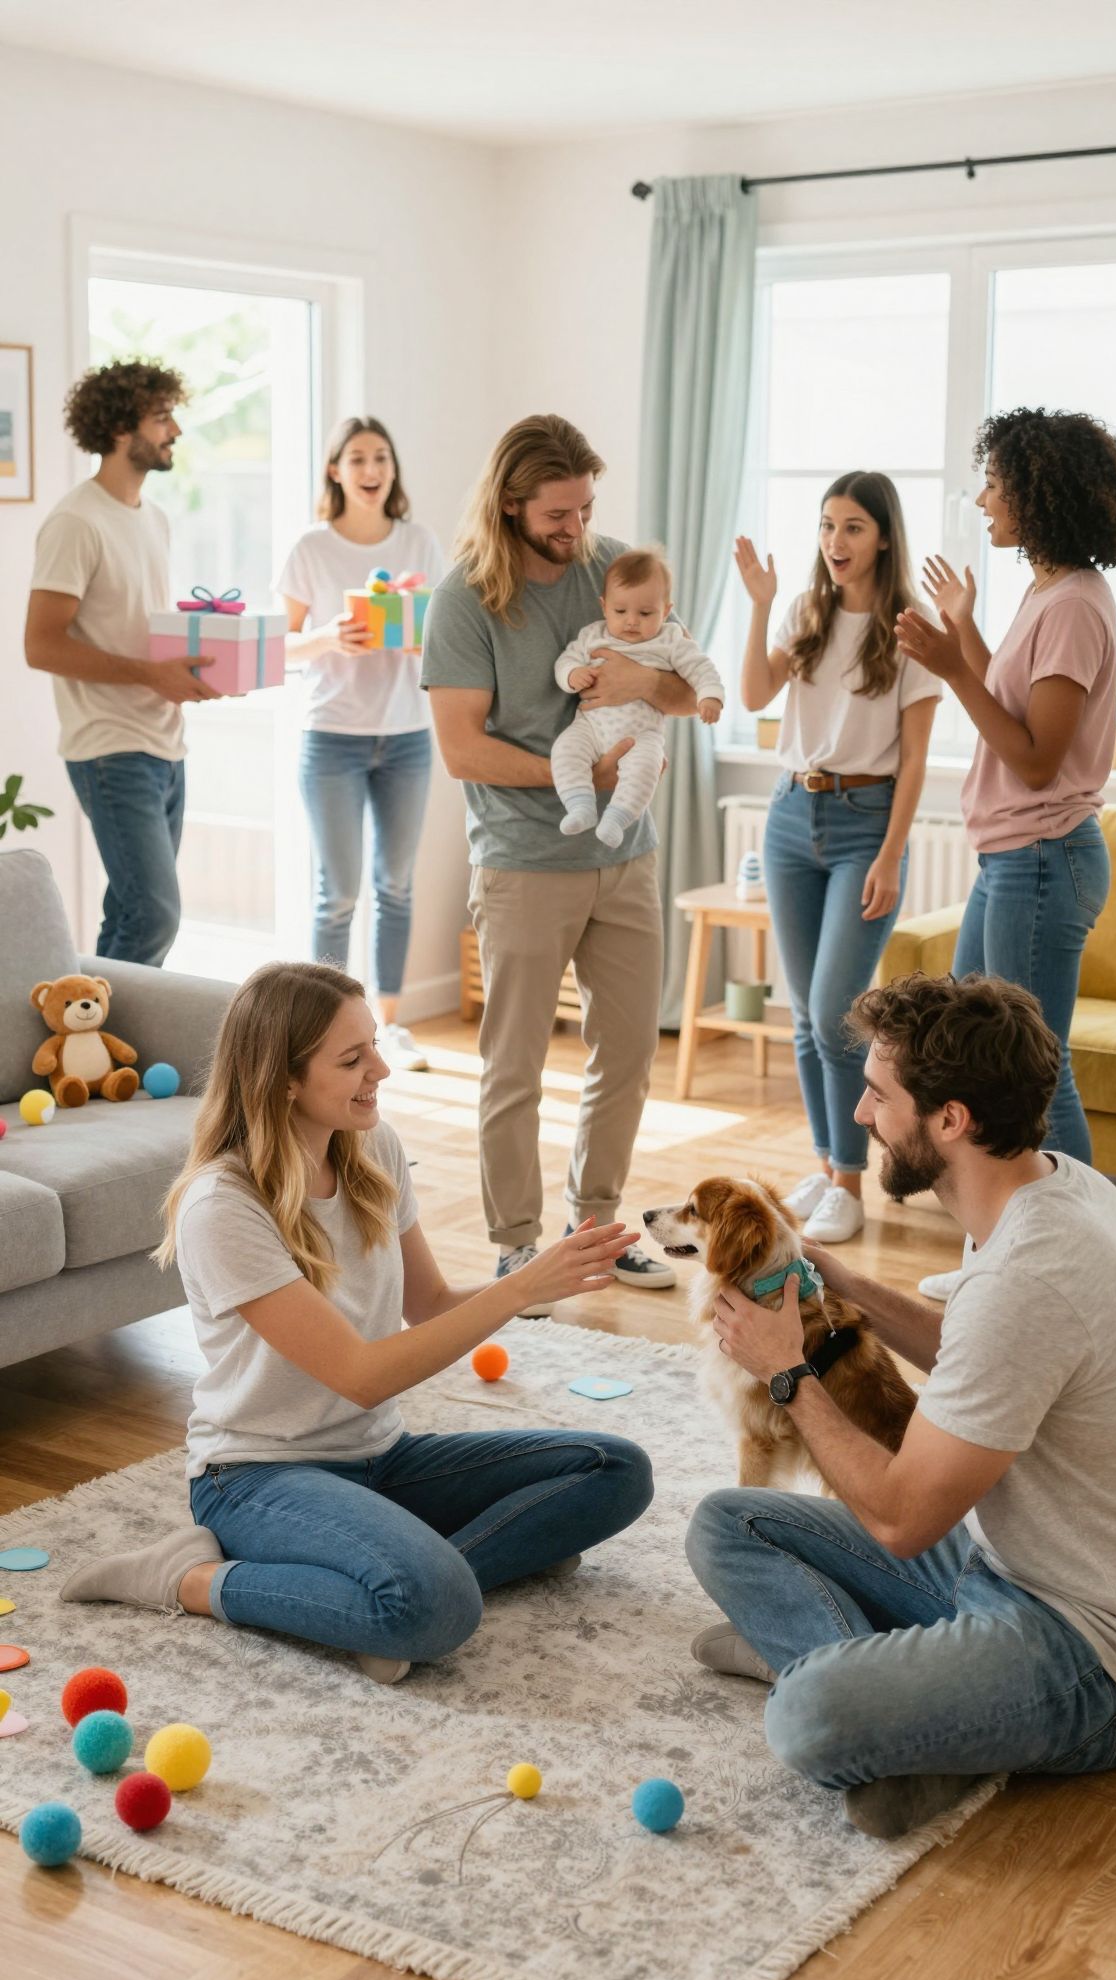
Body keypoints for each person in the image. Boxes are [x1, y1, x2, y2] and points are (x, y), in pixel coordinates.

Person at [61, 962, 653, 1683]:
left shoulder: (372, 1147)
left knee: (616, 1470)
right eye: (352, 1059)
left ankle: (387, 1592)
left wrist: (544, 1280)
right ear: (283, 1079)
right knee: (440, 1609)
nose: (381, 1069)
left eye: (373, 1045)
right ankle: (189, 1578)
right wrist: (520, 1286)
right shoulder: (223, 1206)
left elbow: (429, 1301)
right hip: (256, 1478)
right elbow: (361, 1376)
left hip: (379, 1458)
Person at [685, 970, 1116, 1841]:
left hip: (1098, 1650)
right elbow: (980, 1359)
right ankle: (915, 1713)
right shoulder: (1054, 1190)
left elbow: (901, 1519)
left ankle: (867, 1697)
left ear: (951, 1120)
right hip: (997, 1561)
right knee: (726, 1524)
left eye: (877, 1096)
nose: (860, 1118)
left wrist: (791, 1372)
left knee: (809, 1720)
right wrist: (849, 1288)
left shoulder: (1030, 1277)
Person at [421, 413, 697, 1309]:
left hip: (628, 854)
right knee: (514, 1064)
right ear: (511, 504)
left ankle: (598, 1229)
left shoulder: (615, 570)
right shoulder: (466, 598)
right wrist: (578, 771)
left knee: (626, 1053)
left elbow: (690, 690)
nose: (578, 527)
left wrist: (647, 684)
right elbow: (462, 750)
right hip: (524, 861)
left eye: (585, 507)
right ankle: (515, 1250)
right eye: (559, 512)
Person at [895, 407, 1116, 1299]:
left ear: (1037, 495)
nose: (983, 498)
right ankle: (1001, 1259)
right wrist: (964, 630)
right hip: (1016, 862)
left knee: (1034, 1078)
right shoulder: (1051, 593)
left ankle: (1086, 1270)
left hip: (1042, 861)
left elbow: (1035, 754)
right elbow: (1012, 701)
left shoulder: (1075, 603)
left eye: (995, 483)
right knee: (965, 1054)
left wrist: (950, 661)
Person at [735, 472, 940, 1245]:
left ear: (883, 535)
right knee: (803, 1015)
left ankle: (850, 1182)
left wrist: (892, 854)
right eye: (826, 526)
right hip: (791, 815)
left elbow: (916, 760)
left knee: (836, 1013)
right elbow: (755, 693)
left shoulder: (910, 628)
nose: (835, 543)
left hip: (867, 824)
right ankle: (827, 1170)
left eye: (852, 527)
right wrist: (760, 603)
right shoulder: (807, 612)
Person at [24, 359, 221, 966]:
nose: (175, 432)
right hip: (110, 749)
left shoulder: (152, 519)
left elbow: (136, 628)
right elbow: (42, 645)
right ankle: (88, 1046)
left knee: (137, 911)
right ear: (117, 431)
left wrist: (200, 660)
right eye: (161, 418)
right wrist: (148, 674)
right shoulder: (76, 521)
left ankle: (98, 1048)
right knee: (153, 912)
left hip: (166, 743)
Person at [278, 417, 445, 1073]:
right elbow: (279, 645)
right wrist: (328, 639)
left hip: (407, 737)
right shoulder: (311, 548)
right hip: (332, 739)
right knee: (338, 892)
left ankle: (390, 1029)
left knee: (396, 885)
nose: (371, 468)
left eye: (381, 457)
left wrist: (419, 640)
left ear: (392, 469)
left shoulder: (420, 542)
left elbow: (446, 636)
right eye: (357, 458)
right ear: (335, 471)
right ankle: (324, 1031)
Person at [551, 547, 723, 847]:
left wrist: (710, 697)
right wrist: (571, 675)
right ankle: (579, 804)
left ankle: (617, 819)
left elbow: (701, 668)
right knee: (565, 750)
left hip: (642, 734)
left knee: (646, 769)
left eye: (645, 613)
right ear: (604, 607)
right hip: (590, 726)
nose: (631, 621)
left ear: (666, 611)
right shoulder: (593, 634)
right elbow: (566, 660)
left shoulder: (670, 640)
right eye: (620, 611)